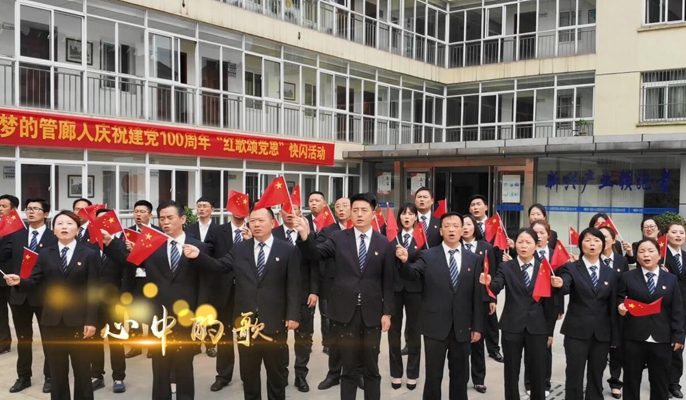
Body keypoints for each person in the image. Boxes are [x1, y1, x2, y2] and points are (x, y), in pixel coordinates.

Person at [184, 206, 301, 400]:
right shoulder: (240, 248)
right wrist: (198, 256)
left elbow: (294, 285)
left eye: (261, 220)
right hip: (245, 322)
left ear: (273, 223)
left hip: (274, 321)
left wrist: (293, 315)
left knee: (276, 374)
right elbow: (220, 266)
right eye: (252, 220)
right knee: (249, 373)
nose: (256, 224)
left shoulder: (288, 249)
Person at [102, 200, 209, 400]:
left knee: (184, 364)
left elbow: (205, 282)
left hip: (187, 316)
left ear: (183, 219)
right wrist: (109, 243)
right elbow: (128, 260)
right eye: (162, 219)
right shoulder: (151, 245)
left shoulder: (198, 246)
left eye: (170, 218)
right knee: (160, 365)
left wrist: (201, 314)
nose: (165, 222)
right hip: (159, 316)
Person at [298, 192, 394, 400]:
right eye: (355, 210)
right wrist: (305, 237)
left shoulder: (383, 242)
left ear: (374, 213)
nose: (359, 214)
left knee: (371, 367)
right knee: (348, 368)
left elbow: (388, 282)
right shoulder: (338, 238)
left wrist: (387, 312)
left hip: (372, 313)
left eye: (364, 210)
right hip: (344, 313)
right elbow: (315, 254)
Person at [4, 210, 101, 400]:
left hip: (79, 321)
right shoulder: (45, 253)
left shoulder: (89, 254)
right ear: (53, 229)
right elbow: (35, 280)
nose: (64, 227)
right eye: (60, 224)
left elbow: (94, 290)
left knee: (82, 370)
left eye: (69, 223)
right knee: (57, 371)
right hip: (52, 321)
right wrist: (20, 281)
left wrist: (91, 321)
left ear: (78, 229)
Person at [396, 212, 483, 400]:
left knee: (460, 376)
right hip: (434, 326)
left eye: (456, 225)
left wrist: (477, 326)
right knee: (433, 376)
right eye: (447, 226)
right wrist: (404, 262)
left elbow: (477, 295)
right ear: (441, 231)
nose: (451, 229)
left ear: (462, 230)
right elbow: (412, 274)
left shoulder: (474, 259)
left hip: (462, 327)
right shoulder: (428, 255)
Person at [480, 228, 557, 400]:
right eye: (520, 242)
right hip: (512, 326)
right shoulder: (506, 267)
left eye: (528, 242)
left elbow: (550, 304)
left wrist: (550, 331)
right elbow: (496, 286)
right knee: (511, 371)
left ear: (536, 245)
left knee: (538, 371)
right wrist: (488, 283)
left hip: (537, 328)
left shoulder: (545, 268)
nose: (523, 246)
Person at [551, 227, 620, 400]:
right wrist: (560, 284)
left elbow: (612, 306)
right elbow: (566, 284)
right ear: (581, 244)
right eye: (587, 240)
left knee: (596, 374)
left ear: (603, 244)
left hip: (601, 333)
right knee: (574, 373)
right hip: (576, 331)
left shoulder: (611, 273)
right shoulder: (571, 268)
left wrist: (615, 336)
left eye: (596, 240)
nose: (592, 244)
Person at [618, 238, 685, 400]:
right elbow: (620, 298)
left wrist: (678, 335)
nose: (646, 255)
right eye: (641, 251)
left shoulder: (670, 279)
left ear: (659, 255)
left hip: (662, 338)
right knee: (631, 380)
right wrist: (620, 306)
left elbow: (677, 308)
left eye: (650, 251)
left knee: (660, 382)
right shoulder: (627, 277)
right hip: (634, 337)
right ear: (637, 256)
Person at [1, 198, 56, 394]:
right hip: (19, 295)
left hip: (44, 295)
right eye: (28, 208)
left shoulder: (53, 237)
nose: (31, 212)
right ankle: (23, 377)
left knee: (48, 339)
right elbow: (4, 256)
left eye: (36, 209)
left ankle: (50, 376)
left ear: (46, 213)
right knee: (23, 339)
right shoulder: (16, 235)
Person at [316, 197, 364, 392]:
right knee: (336, 336)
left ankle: (358, 373)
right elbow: (317, 252)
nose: (342, 209)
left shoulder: (362, 230)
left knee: (359, 334)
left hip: (358, 291)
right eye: (338, 206)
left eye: (346, 206)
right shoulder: (328, 231)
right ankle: (334, 374)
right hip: (334, 289)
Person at [274, 205, 319, 393]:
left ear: (301, 212)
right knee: (279, 337)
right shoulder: (273, 233)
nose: (291, 213)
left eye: (295, 209)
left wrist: (314, 290)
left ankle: (301, 374)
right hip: (278, 294)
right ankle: (282, 373)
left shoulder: (308, 234)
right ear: (280, 213)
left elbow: (315, 263)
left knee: (304, 338)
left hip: (303, 294)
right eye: (287, 209)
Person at [203, 207, 248, 392]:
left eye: (243, 207)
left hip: (246, 292)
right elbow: (207, 253)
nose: (239, 211)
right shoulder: (217, 231)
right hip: (223, 291)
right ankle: (223, 375)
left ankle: (248, 376)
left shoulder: (254, 231)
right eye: (236, 206)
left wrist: (250, 241)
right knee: (224, 335)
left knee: (246, 336)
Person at [89, 208, 127, 394]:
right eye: (98, 220)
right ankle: (97, 375)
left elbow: (128, 273)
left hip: (115, 301)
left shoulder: (123, 244)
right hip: (92, 301)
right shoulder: (89, 244)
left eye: (106, 220)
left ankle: (118, 377)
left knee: (116, 340)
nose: (102, 224)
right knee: (94, 340)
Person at [461, 213, 496, 394]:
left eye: (468, 224)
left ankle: (479, 378)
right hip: (460, 299)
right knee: (461, 342)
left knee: (478, 340)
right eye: (462, 225)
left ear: (475, 226)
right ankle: (461, 377)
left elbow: (493, 275)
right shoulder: (455, 246)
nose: (465, 228)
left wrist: (492, 298)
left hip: (480, 298)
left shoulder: (486, 247)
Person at [388, 203, 422, 391]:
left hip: (415, 289)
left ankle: (412, 374)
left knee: (414, 331)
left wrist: (407, 257)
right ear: (399, 217)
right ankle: (396, 373)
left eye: (410, 214)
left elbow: (424, 261)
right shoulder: (392, 237)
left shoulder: (422, 238)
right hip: (395, 289)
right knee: (394, 331)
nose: (407, 217)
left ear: (416, 217)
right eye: (404, 214)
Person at [120, 200, 158, 359]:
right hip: (133, 278)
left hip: (152, 279)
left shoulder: (158, 233)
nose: (138, 215)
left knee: (152, 311)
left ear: (150, 215)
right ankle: (135, 346)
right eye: (136, 212)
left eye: (142, 212)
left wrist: (138, 251)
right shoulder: (126, 233)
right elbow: (121, 256)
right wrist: (128, 251)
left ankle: (153, 345)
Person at [469, 194, 503, 363]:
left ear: (486, 207)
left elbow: (498, 255)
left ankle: (494, 349)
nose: (475, 207)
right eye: (472, 205)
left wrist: (493, 295)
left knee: (491, 319)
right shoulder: (464, 229)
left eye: (478, 204)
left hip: (488, 278)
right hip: (469, 283)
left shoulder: (495, 227)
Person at [185, 196, 218, 358]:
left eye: (205, 206)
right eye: (199, 206)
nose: (201, 209)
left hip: (211, 273)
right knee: (193, 308)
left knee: (210, 308)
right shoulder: (189, 229)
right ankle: (196, 342)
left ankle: (211, 343)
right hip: (193, 273)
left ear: (212, 209)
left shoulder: (218, 230)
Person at [599, 225, 629, 399]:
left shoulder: (621, 260)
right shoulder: (592, 259)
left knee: (617, 348)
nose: (602, 240)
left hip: (617, 309)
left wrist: (623, 304)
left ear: (613, 240)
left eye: (605, 237)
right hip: (598, 310)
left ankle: (616, 382)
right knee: (599, 349)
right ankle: (596, 381)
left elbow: (625, 285)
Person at [662, 222, 686, 399]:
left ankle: (674, 383)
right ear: (666, 235)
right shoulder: (660, 256)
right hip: (665, 308)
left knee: (679, 345)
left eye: (681, 232)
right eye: (674, 232)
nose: (678, 235)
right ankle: (662, 382)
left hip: (683, 309)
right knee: (665, 347)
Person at [306, 191, 330, 353]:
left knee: (326, 313)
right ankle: (306, 343)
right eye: (311, 201)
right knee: (308, 312)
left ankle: (327, 343)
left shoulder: (331, 222)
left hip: (327, 273)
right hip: (310, 272)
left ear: (324, 203)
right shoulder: (304, 222)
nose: (314, 203)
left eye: (317, 200)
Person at [0, 194, 19, 355]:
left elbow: (8, 251)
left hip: (12, 277)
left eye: (4, 206)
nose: (0, 209)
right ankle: (3, 343)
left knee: (17, 313)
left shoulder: (18, 229)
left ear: (14, 209)